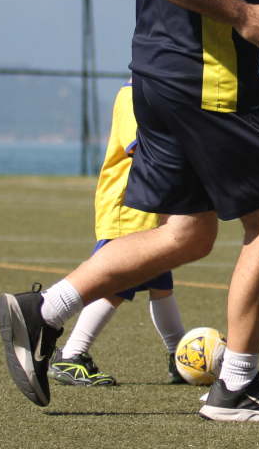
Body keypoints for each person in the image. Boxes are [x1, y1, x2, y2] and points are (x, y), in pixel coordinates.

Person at [0, 0, 259, 422]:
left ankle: (44, 311)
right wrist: (242, 14)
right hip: (205, 79)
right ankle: (237, 387)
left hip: (159, 73)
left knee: (186, 234)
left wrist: (256, 10)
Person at [48, 80, 187, 388]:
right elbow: (141, 146)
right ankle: (71, 355)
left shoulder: (154, 93)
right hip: (128, 208)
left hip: (148, 208)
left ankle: (181, 358)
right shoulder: (134, 97)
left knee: (161, 284)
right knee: (117, 283)